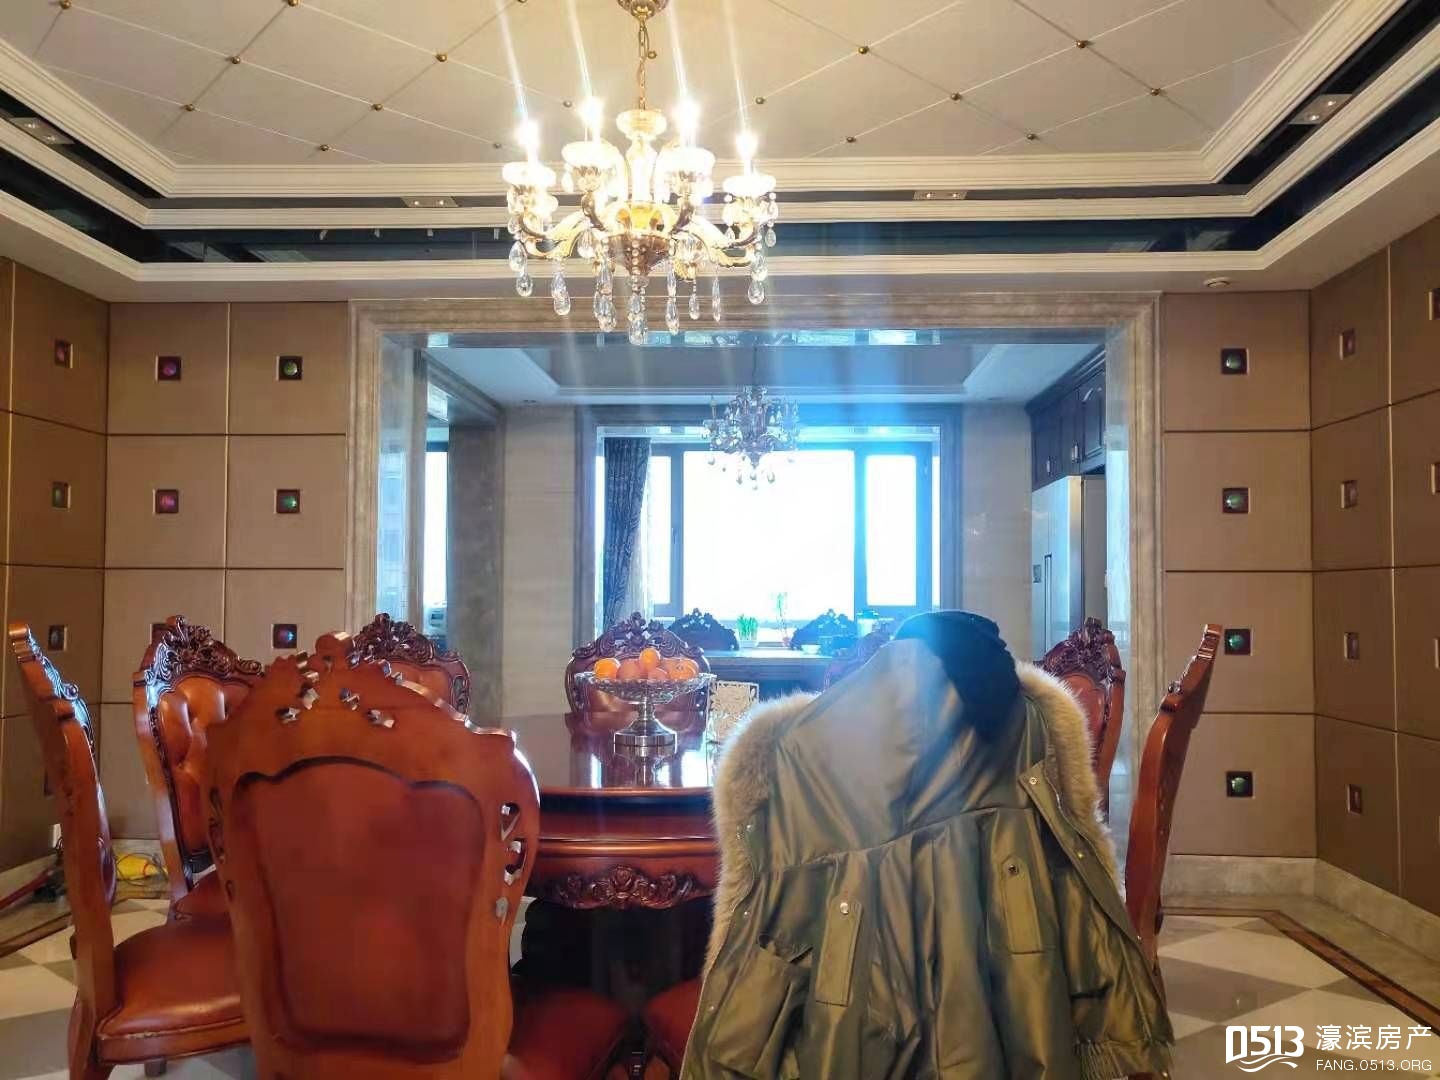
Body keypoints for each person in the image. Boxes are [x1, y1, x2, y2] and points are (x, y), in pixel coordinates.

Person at [681, 611, 1172, 1079]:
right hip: (1010, 1000)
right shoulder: (1034, 724)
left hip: (862, 1015)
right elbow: (1074, 878)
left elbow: (772, 921)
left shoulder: (789, 748)